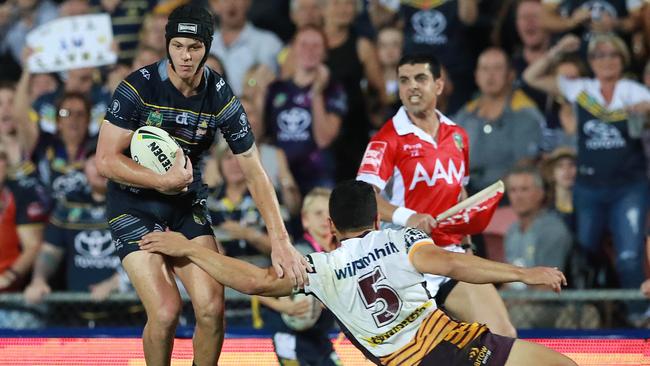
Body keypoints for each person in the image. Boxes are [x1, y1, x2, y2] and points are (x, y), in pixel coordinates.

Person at [139, 180, 576, 366]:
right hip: (459, 345)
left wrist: (185, 249)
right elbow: (456, 263)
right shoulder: (400, 241)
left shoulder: (321, 268)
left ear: (331, 227)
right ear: (376, 220)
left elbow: (250, 280)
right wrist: (525, 273)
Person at [96, 5, 308, 365]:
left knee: (211, 309)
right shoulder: (138, 86)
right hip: (132, 205)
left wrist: (281, 241)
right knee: (165, 312)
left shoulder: (221, 95)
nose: (185, 56)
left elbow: (254, 170)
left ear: (207, 48)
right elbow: (105, 161)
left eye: (194, 48)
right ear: (167, 44)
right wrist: (162, 180)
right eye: (177, 46)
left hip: (184, 203)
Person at [356, 54, 517, 337]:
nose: (412, 87)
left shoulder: (457, 135)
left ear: (439, 86)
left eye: (420, 79)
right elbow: (363, 199)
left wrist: (467, 245)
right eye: (404, 80)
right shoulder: (386, 139)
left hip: (450, 256)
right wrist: (409, 217)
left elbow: (459, 194)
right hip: (406, 264)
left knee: (503, 335)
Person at [523, 33, 650, 297]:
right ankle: (586, 317)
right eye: (598, 54)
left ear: (622, 58)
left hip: (629, 187)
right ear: (590, 60)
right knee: (585, 255)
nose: (606, 60)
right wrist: (557, 49)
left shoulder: (635, 91)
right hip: (589, 188)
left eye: (612, 54)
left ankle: (639, 316)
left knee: (628, 257)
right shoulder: (581, 89)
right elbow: (530, 78)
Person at [258, 187, 341, 365]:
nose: (325, 219)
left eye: (329, 213)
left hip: (319, 338)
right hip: (290, 337)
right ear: (305, 220)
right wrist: (284, 306)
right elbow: (259, 288)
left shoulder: (339, 254)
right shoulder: (297, 254)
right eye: (318, 213)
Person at [454, 47, 543, 193]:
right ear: (476, 76)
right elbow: (452, 157)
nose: (490, 75)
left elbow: (524, 164)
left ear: (511, 75)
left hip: (507, 197)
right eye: (485, 69)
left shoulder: (525, 113)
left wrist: (487, 196)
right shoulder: (465, 114)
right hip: (466, 195)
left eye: (497, 68)